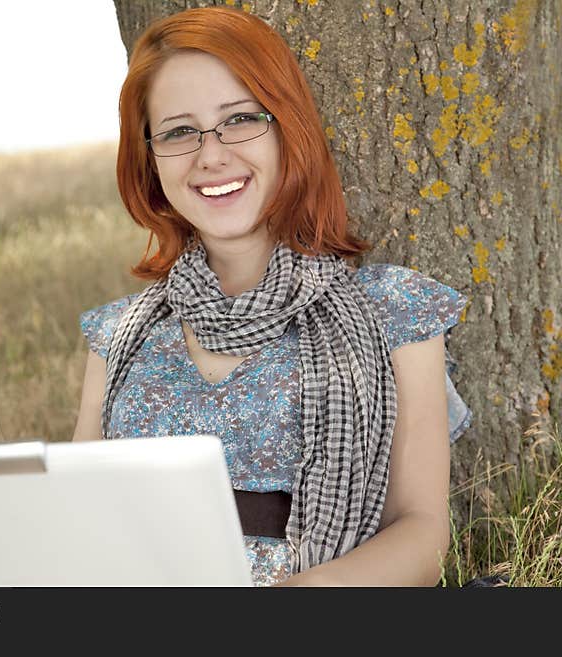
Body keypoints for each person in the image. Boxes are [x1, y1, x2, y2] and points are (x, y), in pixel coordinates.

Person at [71, 6, 472, 586]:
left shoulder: (395, 311)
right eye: (180, 131)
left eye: (238, 119)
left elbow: (422, 531)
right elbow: (77, 521)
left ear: (288, 127)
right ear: (150, 157)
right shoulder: (117, 338)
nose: (211, 155)